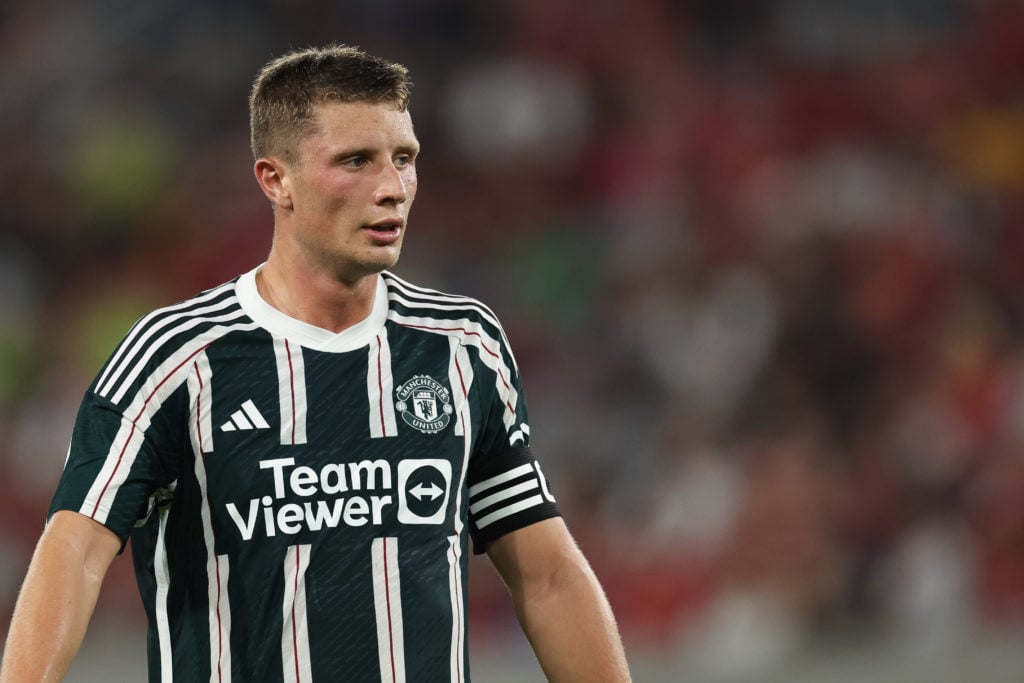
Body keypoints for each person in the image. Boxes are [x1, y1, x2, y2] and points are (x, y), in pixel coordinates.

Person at [0, 44, 630, 682]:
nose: (391, 188)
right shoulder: (177, 358)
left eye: (403, 159)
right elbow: (74, 552)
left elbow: (547, 575)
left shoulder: (462, 344)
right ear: (276, 180)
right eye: (356, 161)